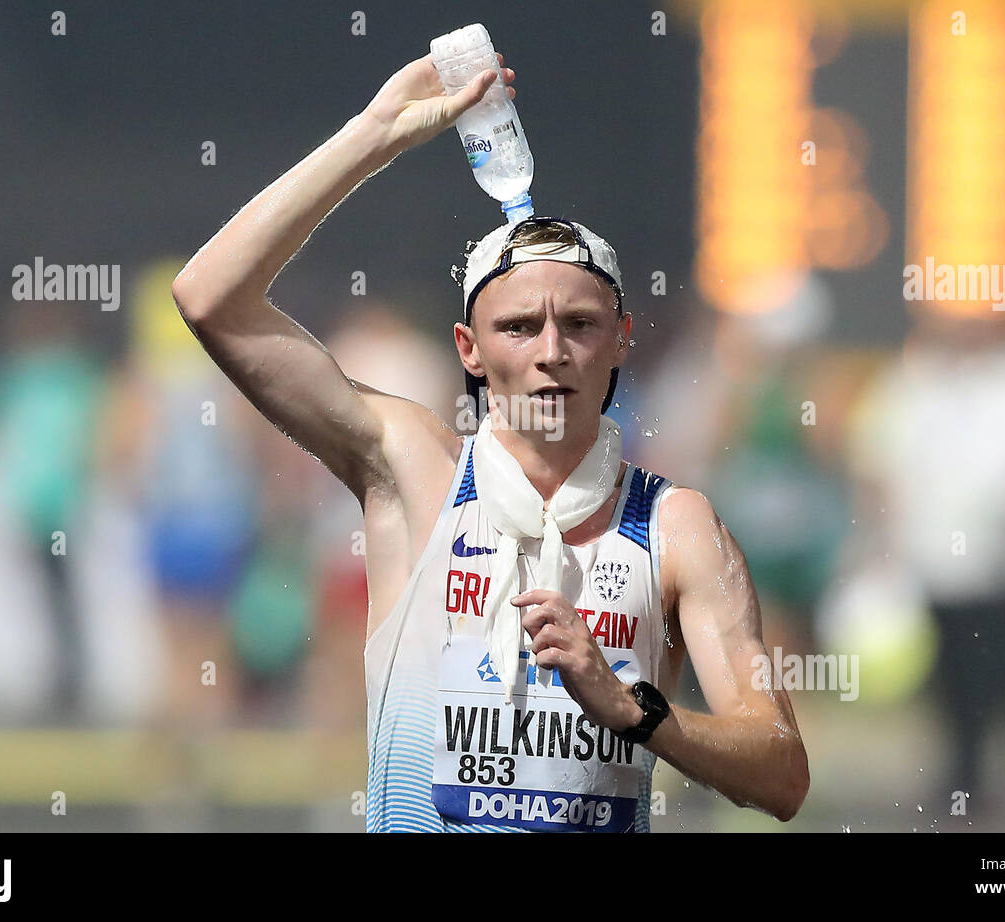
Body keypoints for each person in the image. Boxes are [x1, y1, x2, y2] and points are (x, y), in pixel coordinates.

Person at [171, 52, 808, 831]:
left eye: (580, 324)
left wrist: (631, 709)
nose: (551, 351)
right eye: (519, 327)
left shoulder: (676, 527)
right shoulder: (417, 472)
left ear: (621, 340)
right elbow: (210, 299)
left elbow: (782, 775)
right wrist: (374, 135)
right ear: (469, 350)